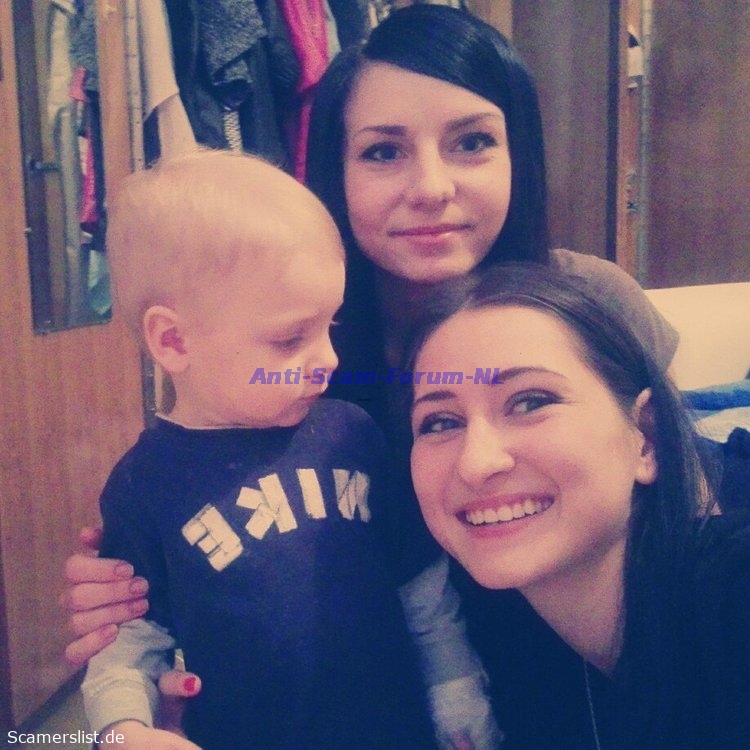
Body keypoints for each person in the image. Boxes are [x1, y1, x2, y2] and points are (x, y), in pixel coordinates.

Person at [61, 2, 679, 739]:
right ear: (336, 168)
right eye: (383, 152)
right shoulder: (276, 356)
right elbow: (182, 565)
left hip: (611, 697)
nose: (432, 187)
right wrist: (128, 615)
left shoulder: (589, 301)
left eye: (473, 141)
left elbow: (690, 518)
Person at [79, 149, 502, 750]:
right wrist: (122, 730)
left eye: (330, 326)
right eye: (289, 339)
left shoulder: (351, 435)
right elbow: (127, 642)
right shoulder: (143, 483)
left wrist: (458, 694)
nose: (328, 359)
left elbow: (422, 587)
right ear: (173, 340)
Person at [407, 262, 750, 750]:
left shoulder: (733, 597)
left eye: (530, 401)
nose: (475, 463)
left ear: (646, 436)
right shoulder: (512, 661)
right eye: (440, 422)